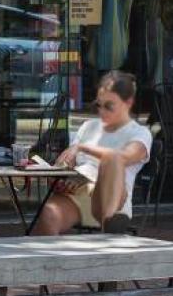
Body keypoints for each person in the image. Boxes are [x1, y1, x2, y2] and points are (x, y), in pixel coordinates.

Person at [32, 71, 152, 236]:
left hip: (112, 197)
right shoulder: (88, 126)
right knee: (49, 214)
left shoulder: (139, 133)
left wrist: (82, 147)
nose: (102, 111)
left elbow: (122, 157)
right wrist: (63, 176)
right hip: (79, 196)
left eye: (109, 105)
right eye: (99, 104)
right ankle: (51, 262)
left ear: (128, 103)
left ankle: (110, 222)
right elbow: (64, 162)